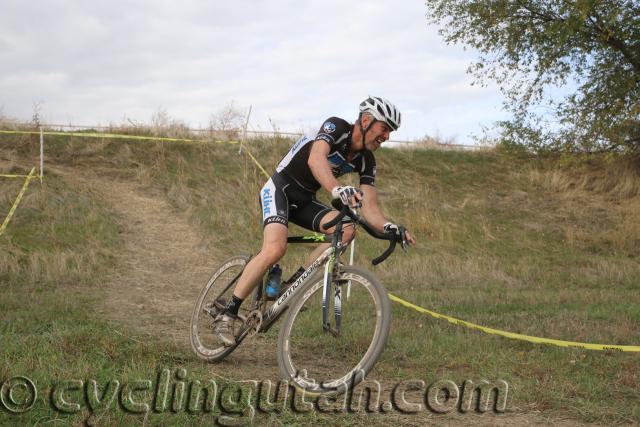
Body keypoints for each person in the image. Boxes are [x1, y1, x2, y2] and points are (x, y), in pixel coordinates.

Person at [214, 96, 417, 345]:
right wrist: (336, 189)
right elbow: (315, 159)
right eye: (384, 128)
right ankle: (228, 314)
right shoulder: (336, 128)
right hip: (279, 189)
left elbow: (370, 207)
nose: (386, 136)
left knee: (347, 229)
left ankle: (293, 283)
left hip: (305, 200)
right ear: (366, 120)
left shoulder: (366, 160)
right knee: (276, 248)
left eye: (390, 132)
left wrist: (389, 227)